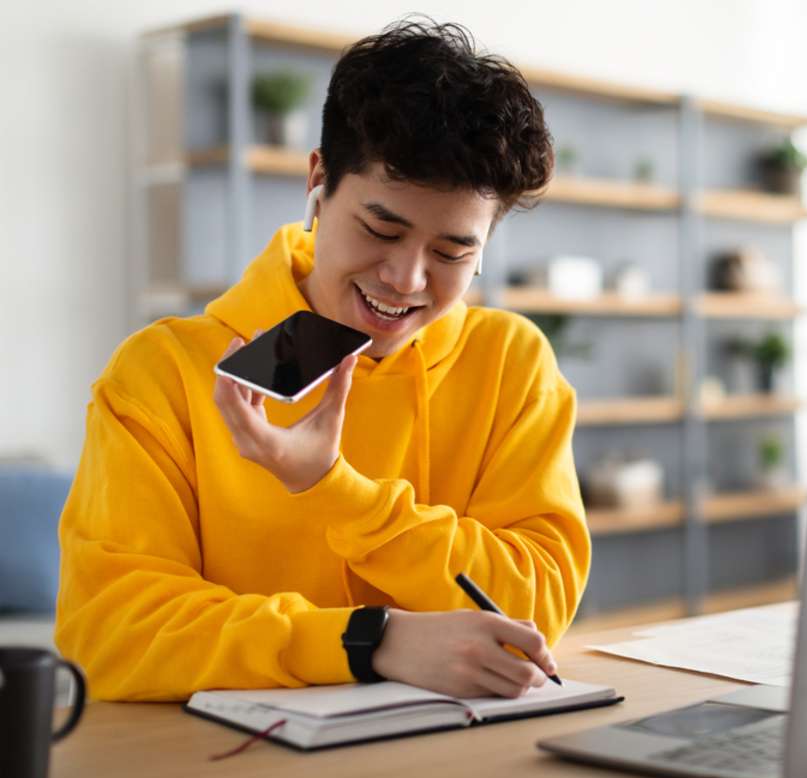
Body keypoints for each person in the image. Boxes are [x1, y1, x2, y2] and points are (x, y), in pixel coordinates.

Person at [55, 18, 591, 702]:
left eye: (453, 253)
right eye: (380, 228)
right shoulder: (161, 375)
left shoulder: (510, 362)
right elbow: (109, 631)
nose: (406, 278)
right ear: (317, 181)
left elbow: (536, 607)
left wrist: (338, 491)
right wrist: (370, 640)